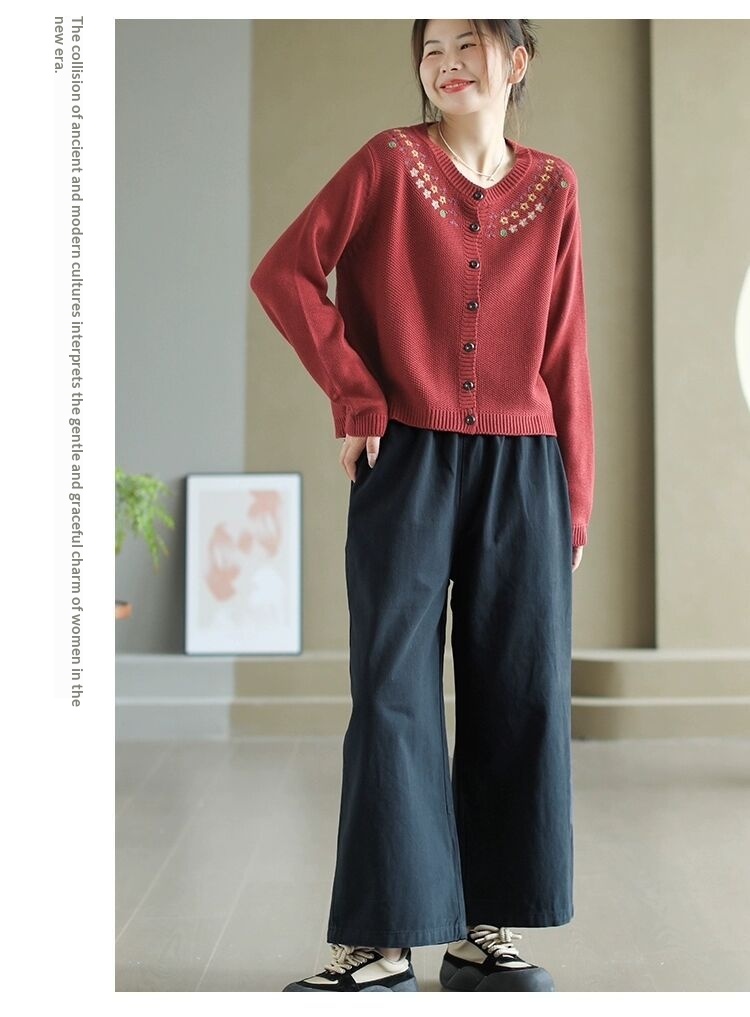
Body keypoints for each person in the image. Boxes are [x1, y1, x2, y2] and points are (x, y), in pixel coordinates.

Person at [249, 17, 595, 993]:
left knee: (518, 690)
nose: (445, 64)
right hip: (405, 456)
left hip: (524, 469)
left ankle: (485, 933)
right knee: (393, 690)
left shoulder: (556, 186)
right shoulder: (387, 164)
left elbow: (566, 349)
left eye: (468, 45)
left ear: (516, 61)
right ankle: (382, 941)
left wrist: (574, 497)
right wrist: (356, 397)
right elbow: (284, 274)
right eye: (431, 47)